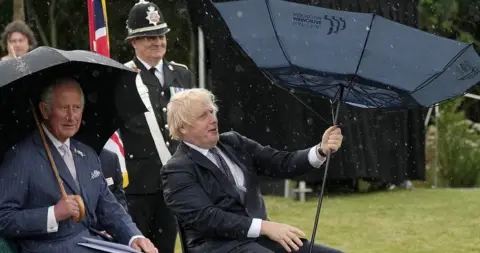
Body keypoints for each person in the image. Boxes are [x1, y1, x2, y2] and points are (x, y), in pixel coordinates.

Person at [161, 88, 345, 253]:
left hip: (263, 240)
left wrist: (321, 149)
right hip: (218, 246)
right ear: (182, 127)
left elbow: (281, 163)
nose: (213, 119)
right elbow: (206, 218)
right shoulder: (176, 170)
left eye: (212, 112)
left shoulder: (234, 142)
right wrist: (264, 227)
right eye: (203, 116)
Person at [0, 77, 157, 253]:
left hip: (91, 243)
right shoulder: (20, 156)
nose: (71, 116)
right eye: (63, 108)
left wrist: (134, 237)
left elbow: (107, 206)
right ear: (44, 110)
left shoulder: (87, 153)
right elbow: (4, 218)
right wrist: (53, 214)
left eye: (76, 108)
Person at [119, 1, 196, 252]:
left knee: (167, 246)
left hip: (175, 181)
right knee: (137, 248)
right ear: (133, 42)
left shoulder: (182, 74)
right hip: (137, 184)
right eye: (149, 37)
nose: (158, 42)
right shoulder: (122, 77)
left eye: (161, 35)